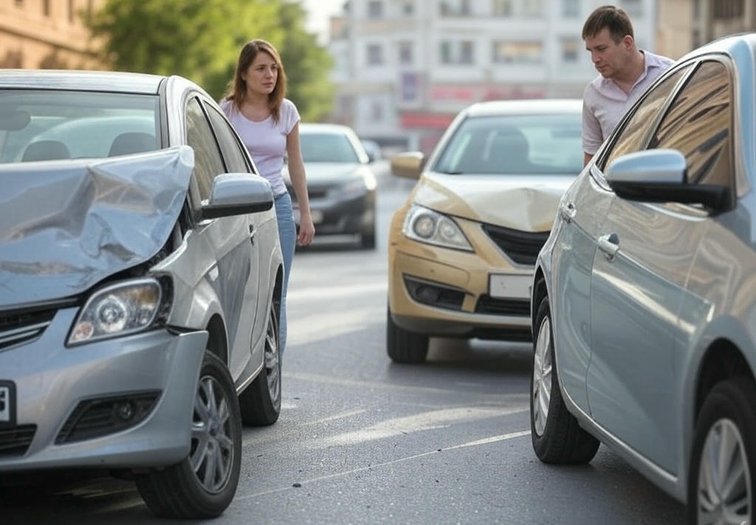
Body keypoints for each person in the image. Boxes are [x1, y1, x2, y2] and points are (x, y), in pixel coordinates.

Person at [221, 39, 316, 358]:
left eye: (274, 68)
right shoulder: (227, 111)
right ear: (244, 74)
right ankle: (238, 363)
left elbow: (296, 163)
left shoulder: (286, 111)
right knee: (241, 291)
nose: (269, 74)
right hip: (238, 209)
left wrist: (305, 212)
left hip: (276, 205)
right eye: (261, 68)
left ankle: (272, 373)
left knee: (277, 294)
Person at [581, 5, 674, 165]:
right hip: (614, 188)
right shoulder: (594, 93)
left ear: (627, 43)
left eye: (601, 49)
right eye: (591, 51)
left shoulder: (671, 76)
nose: (595, 59)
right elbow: (591, 159)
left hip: (668, 185)